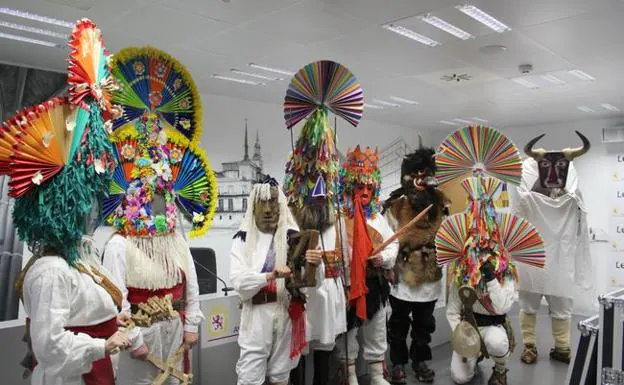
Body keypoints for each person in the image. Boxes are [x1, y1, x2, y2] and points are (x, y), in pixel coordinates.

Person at [10, 18, 130, 384]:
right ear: (60, 209)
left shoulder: (79, 258)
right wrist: (103, 346)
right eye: (85, 201)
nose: (94, 211)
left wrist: (115, 316)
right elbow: (50, 347)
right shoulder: (51, 272)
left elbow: (92, 306)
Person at [102, 113, 204, 385]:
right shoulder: (118, 245)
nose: (156, 205)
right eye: (148, 197)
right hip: (140, 332)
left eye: (161, 197)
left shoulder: (175, 241)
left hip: (174, 327)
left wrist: (192, 324)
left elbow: (190, 284)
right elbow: (116, 301)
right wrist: (133, 340)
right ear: (133, 198)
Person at [230, 176, 322, 385]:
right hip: (256, 314)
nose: (268, 209)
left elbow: (315, 282)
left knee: (282, 373)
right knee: (250, 374)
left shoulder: (296, 238)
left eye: (273, 202)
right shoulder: (243, 239)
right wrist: (269, 276)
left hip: (287, 311)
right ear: (253, 207)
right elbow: (238, 281)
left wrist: (316, 264)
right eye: (262, 203)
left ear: (281, 205)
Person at [515, 132, 592, 364]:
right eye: (547, 166)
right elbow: (523, 203)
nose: (553, 171)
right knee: (529, 302)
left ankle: (562, 347)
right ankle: (530, 346)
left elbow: (576, 205)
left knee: (560, 301)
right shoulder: (528, 171)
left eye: (559, 166)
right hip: (533, 255)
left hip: (559, 254)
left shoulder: (571, 179)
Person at [283, 106, 347, 385]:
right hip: (300, 294)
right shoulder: (289, 218)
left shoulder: (337, 218)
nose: (319, 189)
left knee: (325, 349)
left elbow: (344, 256)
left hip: (329, 293)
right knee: (297, 351)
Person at [382, 142, 449, 384]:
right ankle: (398, 363)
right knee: (398, 325)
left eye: (425, 174)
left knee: (424, 325)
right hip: (402, 275)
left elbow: (448, 236)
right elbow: (388, 238)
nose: (420, 179)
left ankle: (420, 361)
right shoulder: (396, 206)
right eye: (415, 174)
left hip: (430, 276)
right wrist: (389, 266)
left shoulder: (441, 203)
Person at [335, 145, 399, 385]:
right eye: (360, 187)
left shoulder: (377, 217)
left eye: (369, 188)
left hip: (375, 283)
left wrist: (383, 258)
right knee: (347, 330)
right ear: (350, 187)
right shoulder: (339, 217)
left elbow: (394, 243)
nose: (364, 192)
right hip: (348, 284)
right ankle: (349, 374)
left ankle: (375, 375)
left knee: (376, 328)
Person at [447, 261, 515, 385]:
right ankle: (475, 356)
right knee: (460, 377)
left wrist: (491, 279)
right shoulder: (461, 273)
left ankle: (500, 370)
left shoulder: (506, 272)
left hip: (493, 326)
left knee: (496, 342)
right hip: (468, 328)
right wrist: (461, 336)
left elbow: (502, 308)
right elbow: (452, 312)